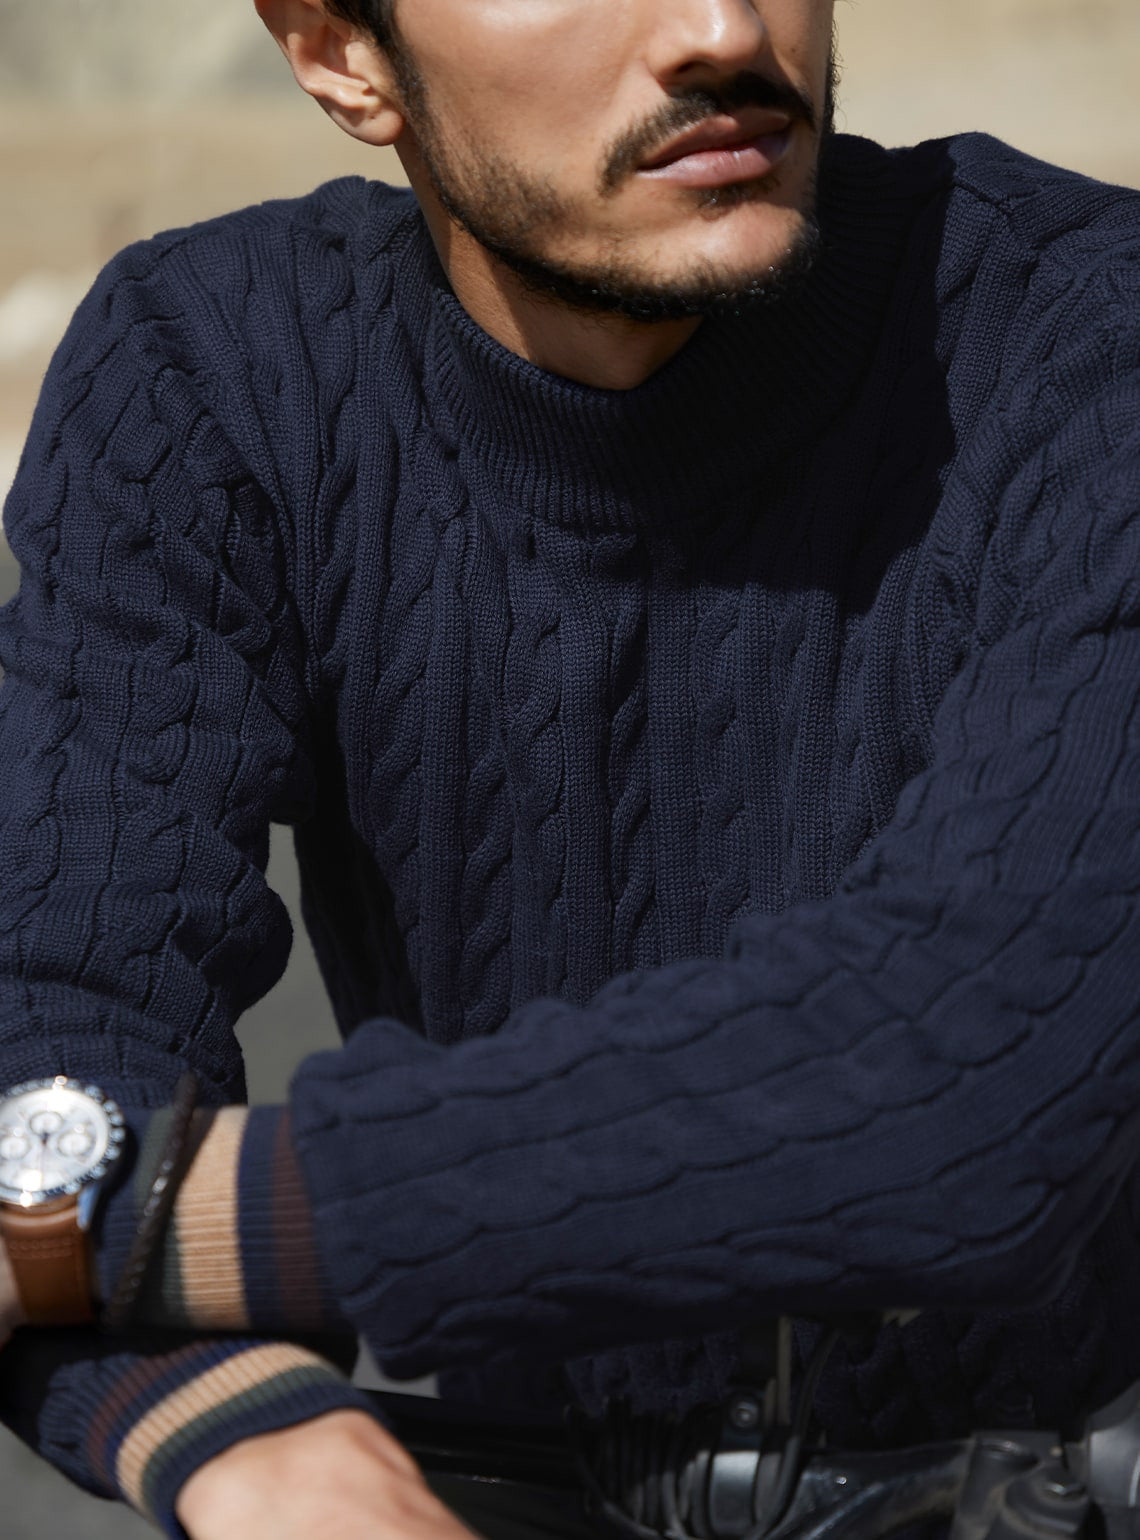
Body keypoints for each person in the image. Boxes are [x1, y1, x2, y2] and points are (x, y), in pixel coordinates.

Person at [0, 0, 1138, 1536]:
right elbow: (51, 1037)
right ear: (341, 54)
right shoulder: (214, 372)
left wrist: (145, 1223)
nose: (720, 27)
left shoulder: (1090, 333)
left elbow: (978, 1072)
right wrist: (228, 1425)